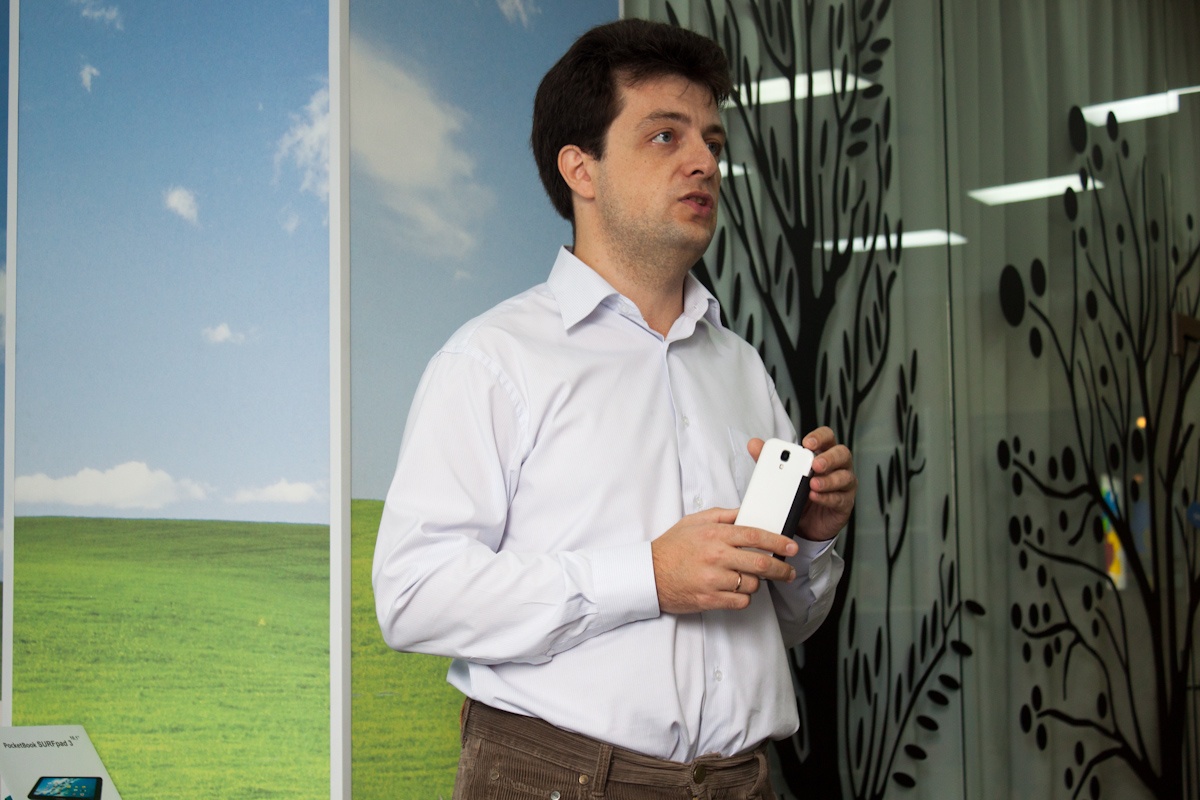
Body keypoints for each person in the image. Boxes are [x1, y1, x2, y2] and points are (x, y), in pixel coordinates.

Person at [373, 18, 855, 800]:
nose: (704, 162)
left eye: (712, 141)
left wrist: (811, 540)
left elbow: (784, 621)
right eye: (665, 136)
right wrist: (648, 577)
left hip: (742, 783)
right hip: (555, 781)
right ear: (581, 170)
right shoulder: (492, 361)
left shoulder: (739, 366)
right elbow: (412, 598)